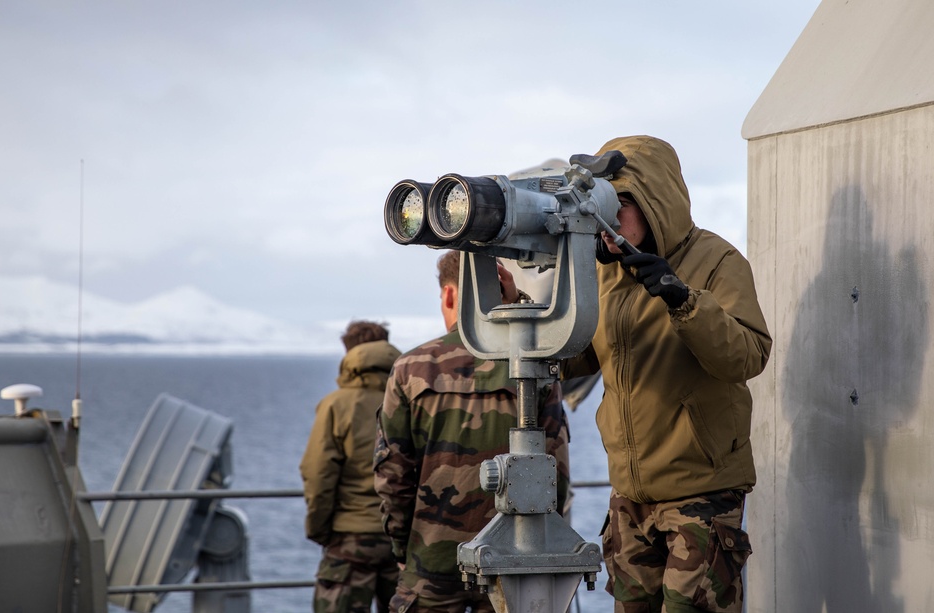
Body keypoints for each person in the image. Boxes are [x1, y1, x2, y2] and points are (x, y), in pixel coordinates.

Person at [563, 135, 773, 613]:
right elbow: (577, 360)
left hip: (700, 495)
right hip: (630, 499)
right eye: (599, 205)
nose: (608, 219)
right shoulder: (602, 273)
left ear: (653, 201)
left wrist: (684, 301)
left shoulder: (717, 261)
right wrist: (529, 321)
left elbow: (748, 356)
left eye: (619, 204)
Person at [374, 249, 571, 613]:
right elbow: (554, 478)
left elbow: (393, 479)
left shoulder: (410, 368)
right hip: (511, 562)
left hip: (431, 562)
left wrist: (406, 551)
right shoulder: (534, 365)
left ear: (449, 296)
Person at [300, 320, 402, 613]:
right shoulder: (411, 399)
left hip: (349, 539)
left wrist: (320, 531)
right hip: (402, 540)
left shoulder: (336, 405)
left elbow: (318, 474)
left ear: (349, 356)